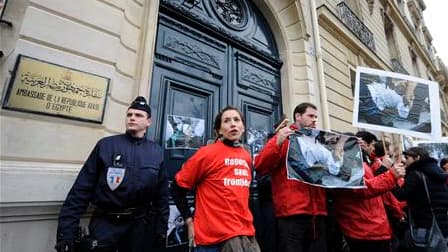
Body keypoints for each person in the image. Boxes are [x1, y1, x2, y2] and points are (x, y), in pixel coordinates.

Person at [55, 96, 169, 252]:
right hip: (105, 224)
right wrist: (66, 232)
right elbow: (81, 190)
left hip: (139, 227)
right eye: (129, 115)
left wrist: (161, 232)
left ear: (148, 122)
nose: (132, 118)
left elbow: (161, 198)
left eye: (138, 115)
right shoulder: (106, 145)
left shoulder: (156, 152)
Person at [171, 106, 259, 252]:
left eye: (237, 120)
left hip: (244, 234)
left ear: (243, 127)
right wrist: (189, 221)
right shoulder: (206, 153)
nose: (232, 124)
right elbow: (176, 188)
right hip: (212, 240)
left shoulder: (246, 156)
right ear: (219, 130)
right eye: (227, 121)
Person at [255, 102, 327, 252]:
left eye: (316, 117)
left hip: (318, 214)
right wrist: (277, 141)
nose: (314, 120)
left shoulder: (319, 142)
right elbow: (260, 165)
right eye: (310, 116)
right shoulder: (284, 139)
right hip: (292, 214)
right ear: (298, 116)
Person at [331, 131, 406, 252]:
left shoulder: (360, 162)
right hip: (362, 230)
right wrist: (390, 175)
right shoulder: (339, 165)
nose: (372, 148)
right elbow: (363, 189)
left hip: (375, 227)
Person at [392, 147, 448, 247]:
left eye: (407, 157)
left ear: (417, 157)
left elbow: (401, 195)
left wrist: (392, 180)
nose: (405, 160)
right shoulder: (438, 172)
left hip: (423, 224)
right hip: (441, 224)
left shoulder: (415, 173)